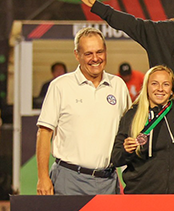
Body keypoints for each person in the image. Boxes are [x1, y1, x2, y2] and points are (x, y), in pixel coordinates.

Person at [36, 27, 130, 195]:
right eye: (88, 54)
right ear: (77, 55)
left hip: (107, 181)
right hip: (68, 180)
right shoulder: (60, 86)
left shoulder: (118, 86)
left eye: (99, 52)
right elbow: (44, 133)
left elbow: (128, 132)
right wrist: (43, 177)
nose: (95, 58)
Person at [110, 65, 174, 194]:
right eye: (154, 84)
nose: (160, 89)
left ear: (172, 89)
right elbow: (116, 158)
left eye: (166, 84)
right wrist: (126, 150)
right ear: (146, 87)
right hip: (140, 194)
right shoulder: (132, 115)